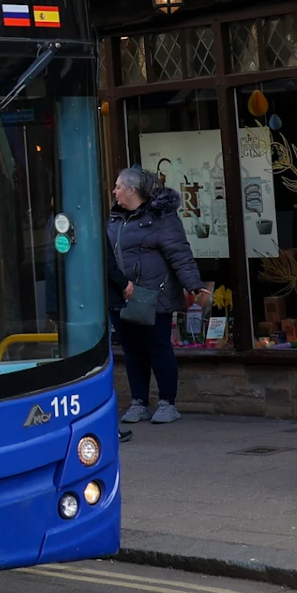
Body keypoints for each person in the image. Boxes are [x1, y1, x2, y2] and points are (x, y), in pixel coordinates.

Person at [105, 166, 210, 425]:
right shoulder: (114, 220)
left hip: (153, 296)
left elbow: (179, 253)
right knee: (132, 352)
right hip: (122, 296)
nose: (114, 191)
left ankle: (167, 403)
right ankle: (139, 402)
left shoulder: (161, 219)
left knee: (158, 349)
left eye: (118, 186)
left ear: (132, 190)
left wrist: (193, 283)